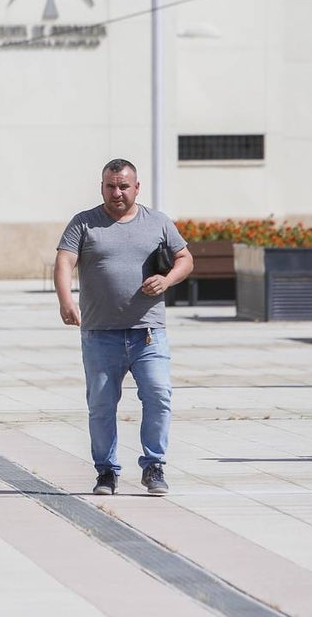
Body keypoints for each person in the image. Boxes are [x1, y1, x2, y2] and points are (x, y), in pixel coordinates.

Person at [54, 158, 193, 496]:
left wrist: (167, 279)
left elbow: (185, 259)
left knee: (159, 395)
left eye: (123, 186)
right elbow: (64, 261)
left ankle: (154, 465)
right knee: (101, 405)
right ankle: (106, 471)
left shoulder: (157, 222)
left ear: (136, 187)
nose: (116, 192)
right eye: (110, 186)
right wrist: (66, 300)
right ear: (102, 186)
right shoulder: (84, 223)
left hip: (148, 333)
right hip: (100, 334)